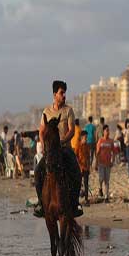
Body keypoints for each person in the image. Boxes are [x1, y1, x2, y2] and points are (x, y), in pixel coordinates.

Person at [33, 80, 83, 218]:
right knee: (38, 172)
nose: (64, 95)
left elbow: (72, 131)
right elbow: (41, 132)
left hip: (65, 149)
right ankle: (40, 204)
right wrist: (43, 145)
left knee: (77, 173)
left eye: (64, 93)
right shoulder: (47, 112)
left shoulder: (68, 110)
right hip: (50, 152)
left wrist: (62, 141)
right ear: (55, 94)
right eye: (61, 93)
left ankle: (75, 203)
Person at [96, 125, 115, 202]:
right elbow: (97, 153)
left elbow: (113, 152)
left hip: (108, 163)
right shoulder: (100, 141)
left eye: (108, 130)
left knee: (107, 180)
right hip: (101, 163)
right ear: (103, 132)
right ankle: (100, 188)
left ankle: (106, 196)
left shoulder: (111, 141)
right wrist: (96, 163)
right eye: (106, 130)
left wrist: (112, 161)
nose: (108, 132)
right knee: (101, 178)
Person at [76, 131, 91, 206]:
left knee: (86, 184)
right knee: (78, 184)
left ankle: (86, 199)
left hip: (86, 168)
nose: (86, 139)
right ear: (81, 138)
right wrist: (80, 166)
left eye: (86, 137)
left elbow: (88, 157)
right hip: (79, 168)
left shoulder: (87, 146)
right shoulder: (78, 146)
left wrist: (88, 167)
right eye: (85, 137)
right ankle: (77, 200)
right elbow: (76, 157)